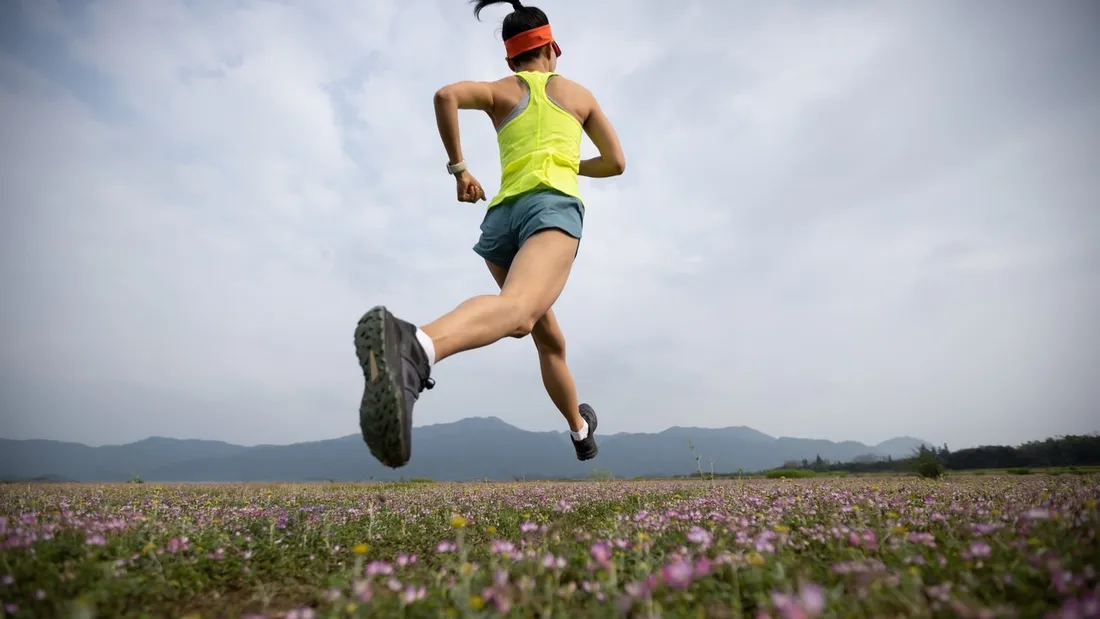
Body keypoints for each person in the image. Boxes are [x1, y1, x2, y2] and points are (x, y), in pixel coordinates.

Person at [353, 0, 626, 469]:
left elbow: (446, 96)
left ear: (510, 58)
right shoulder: (578, 94)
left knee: (548, 338)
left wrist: (460, 170)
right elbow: (616, 162)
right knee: (519, 314)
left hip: (502, 220)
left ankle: (581, 431)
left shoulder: (501, 91)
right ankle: (415, 346)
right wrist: (567, 162)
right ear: (552, 48)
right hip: (551, 209)